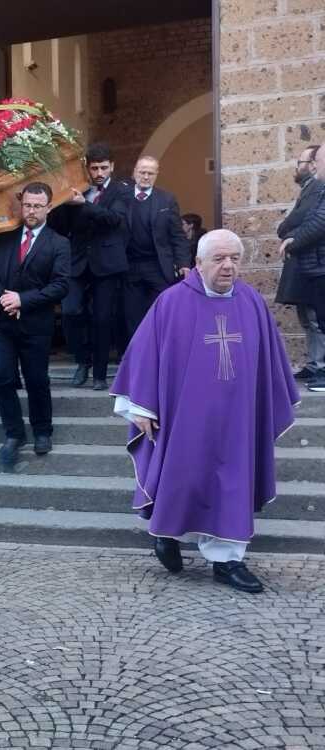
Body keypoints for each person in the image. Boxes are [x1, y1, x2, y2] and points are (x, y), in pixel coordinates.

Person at [112, 229, 299, 594]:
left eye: (235, 258)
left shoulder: (251, 302)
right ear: (198, 263)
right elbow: (144, 354)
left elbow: (270, 361)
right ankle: (166, 534)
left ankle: (227, 561)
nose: (228, 266)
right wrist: (139, 406)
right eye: (219, 258)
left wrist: (269, 402)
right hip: (184, 417)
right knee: (180, 475)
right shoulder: (171, 303)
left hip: (238, 418)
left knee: (232, 482)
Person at [0, 182, 70, 471]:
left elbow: (61, 285)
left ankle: (42, 431)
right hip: (1, 322)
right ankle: (14, 433)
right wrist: (3, 297)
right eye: (27, 205)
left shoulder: (59, 243)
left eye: (37, 206)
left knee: (36, 379)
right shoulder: (4, 236)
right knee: (1, 375)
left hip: (35, 324)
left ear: (49, 208)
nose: (31, 211)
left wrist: (23, 300)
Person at [50, 142, 131, 391]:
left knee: (102, 318)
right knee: (70, 311)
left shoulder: (121, 190)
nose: (99, 173)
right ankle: (82, 361)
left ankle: (99, 374)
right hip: (77, 262)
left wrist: (83, 205)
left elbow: (115, 220)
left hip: (107, 264)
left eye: (103, 168)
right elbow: (61, 226)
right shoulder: (78, 189)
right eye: (94, 168)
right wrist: (62, 202)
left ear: (112, 166)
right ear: (87, 168)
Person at [123, 156, 191, 339]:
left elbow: (177, 235)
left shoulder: (166, 200)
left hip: (158, 266)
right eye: (142, 172)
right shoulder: (122, 197)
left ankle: (160, 352)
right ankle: (137, 354)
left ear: (156, 175)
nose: (146, 177)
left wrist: (184, 264)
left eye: (150, 173)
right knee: (132, 318)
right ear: (134, 173)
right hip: (129, 268)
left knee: (162, 315)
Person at [278, 144, 325, 391]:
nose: (303, 167)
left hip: (317, 263)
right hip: (308, 263)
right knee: (310, 318)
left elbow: (312, 220)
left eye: (304, 162)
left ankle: (322, 367)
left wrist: (290, 236)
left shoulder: (318, 188)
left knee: (318, 318)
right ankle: (316, 364)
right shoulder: (312, 188)